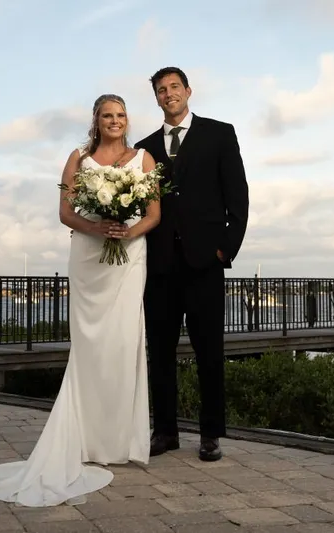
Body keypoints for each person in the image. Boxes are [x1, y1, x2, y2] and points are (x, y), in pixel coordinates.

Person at [0, 94, 160, 507]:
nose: (115, 120)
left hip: (129, 257)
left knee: (124, 341)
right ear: (96, 120)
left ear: (127, 119)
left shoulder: (143, 159)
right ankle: (85, 438)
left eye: (121, 115)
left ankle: (118, 442)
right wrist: (100, 227)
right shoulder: (78, 157)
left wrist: (127, 233)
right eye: (107, 115)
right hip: (90, 257)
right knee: (90, 344)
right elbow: (65, 212)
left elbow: (153, 214)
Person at [135, 66, 249, 462]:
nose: (169, 94)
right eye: (161, 90)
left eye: (174, 87)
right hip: (160, 265)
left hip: (205, 263)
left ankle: (211, 435)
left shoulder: (220, 133)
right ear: (156, 98)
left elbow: (238, 197)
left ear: (188, 90)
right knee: (160, 352)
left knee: (209, 352)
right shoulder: (144, 148)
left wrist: (225, 250)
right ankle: (164, 432)